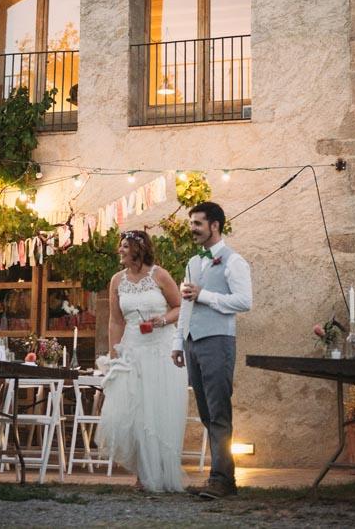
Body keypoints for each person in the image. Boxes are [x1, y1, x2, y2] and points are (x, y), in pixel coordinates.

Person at [171, 201, 252, 500]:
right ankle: (222, 478)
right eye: (191, 223)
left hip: (218, 340)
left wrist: (207, 296)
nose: (192, 228)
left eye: (197, 224)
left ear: (214, 225)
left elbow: (244, 301)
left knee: (219, 411)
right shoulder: (193, 262)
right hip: (193, 342)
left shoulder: (234, 261)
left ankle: (220, 479)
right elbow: (186, 305)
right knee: (207, 413)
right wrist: (178, 342)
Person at [98, 230, 188, 491]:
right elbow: (116, 320)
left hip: (161, 350)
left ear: (139, 249)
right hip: (133, 349)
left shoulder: (158, 275)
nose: (120, 250)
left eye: (125, 246)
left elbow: (180, 307)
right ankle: (142, 474)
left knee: (157, 410)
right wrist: (115, 353)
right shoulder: (117, 280)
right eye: (121, 246)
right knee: (133, 411)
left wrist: (159, 321)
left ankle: (158, 472)